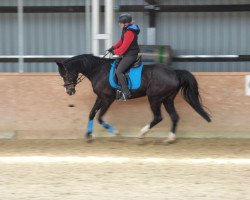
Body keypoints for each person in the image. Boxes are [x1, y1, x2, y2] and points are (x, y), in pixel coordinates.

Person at [107, 13, 140, 101]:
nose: (119, 24)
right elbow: (121, 42)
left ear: (125, 23)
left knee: (119, 71)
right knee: (115, 65)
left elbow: (122, 49)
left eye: (120, 22)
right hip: (127, 54)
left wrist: (115, 51)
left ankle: (126, 92)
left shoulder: (129, 32)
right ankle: (118, 89)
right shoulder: (125, 30)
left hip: (131, 55)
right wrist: (113, 47)